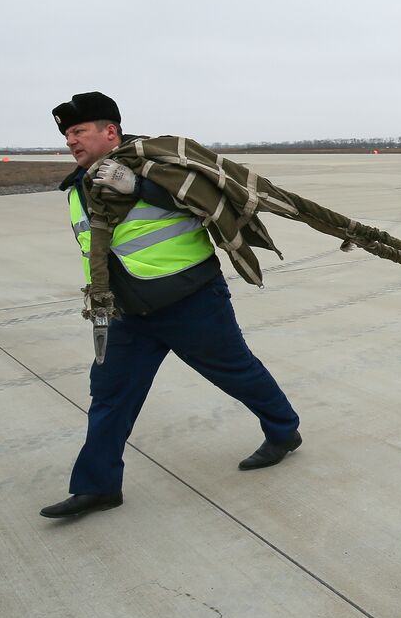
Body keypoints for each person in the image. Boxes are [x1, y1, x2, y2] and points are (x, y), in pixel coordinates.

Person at [40, 91, 302, 519]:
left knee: (236, 372)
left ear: (111, 131)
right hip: (127, 315)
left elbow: (203, 203)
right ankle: (97, 487)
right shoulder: (77, 189)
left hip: (190, 300)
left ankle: (284, 430)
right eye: (67, 134)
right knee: (109, 397)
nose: (71, 140)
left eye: (79, 131)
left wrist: (138, 188)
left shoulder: (158, 165)